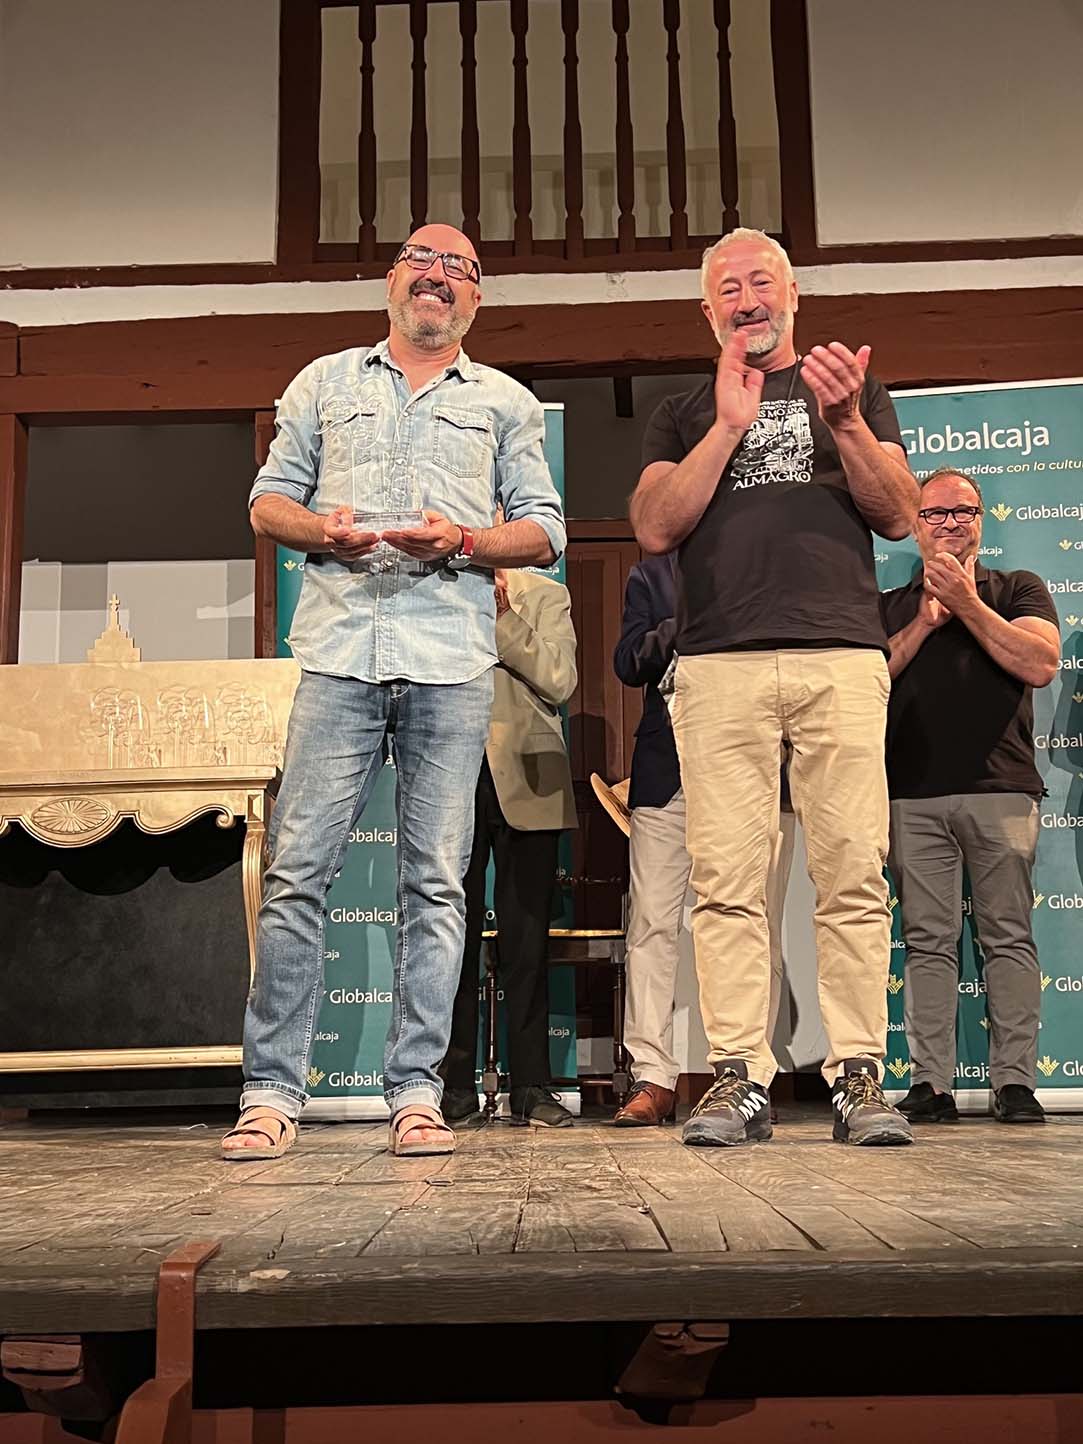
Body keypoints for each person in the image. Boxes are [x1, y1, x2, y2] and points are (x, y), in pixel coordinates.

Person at [221, 224, 566, 1162]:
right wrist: (320, 531)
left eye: (459, 268)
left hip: (451, 662)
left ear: (476, 299)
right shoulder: (323, 381)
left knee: (437, 885)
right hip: (337, 655)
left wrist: (463, 541)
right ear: (391, 280)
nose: (438, 277)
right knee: (297, 875)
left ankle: (416, 1093)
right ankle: (270, 1093)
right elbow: (267, 501)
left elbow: (544, 529)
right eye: (424, 260)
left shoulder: (504, 401)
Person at [630, 226, 919, 1148]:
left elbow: (900, 515)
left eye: (762, 281)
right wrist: (726, 426)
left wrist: (846, 423)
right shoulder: (682, 410)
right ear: (706, 310)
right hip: (719, 664)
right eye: (728, 288)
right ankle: (738, 1077)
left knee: (852, 873)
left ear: (792, 295)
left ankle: (857, 1076)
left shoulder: (851, 392)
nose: (747, 298)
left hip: (841, 656)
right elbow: (653, 526)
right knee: (725, 882)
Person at [881, 468, 1060, 1126]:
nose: (950, 522)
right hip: (911, 796)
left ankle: (1015, 1083)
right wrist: (925, 624)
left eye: (963, 511)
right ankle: (930, 1084)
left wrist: (967, 605)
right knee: (926, 942)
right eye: (934, 513)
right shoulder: (890, 604)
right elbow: (867, 681)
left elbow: (1040, 663)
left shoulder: (1017, 588)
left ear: (980, 522)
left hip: (1001, 792)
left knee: (1007, 936)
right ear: (915, 525)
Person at [610, 553, 796, 1127]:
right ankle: (652, 1076)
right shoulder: (653, 575)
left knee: (754, 919)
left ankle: (747, 1075)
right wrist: (687, 620)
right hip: (665, 774)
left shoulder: (767, 563)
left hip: (750, 771)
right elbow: (629, 661)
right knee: (650, 927)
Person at [441, 565, 578, 1128]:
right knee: (450, 939)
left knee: (527, 946)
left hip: (530, 778)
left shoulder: (545, 594)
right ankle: (451, 1087)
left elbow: (559, 679)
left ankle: (530, 1087)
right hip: (451, 774)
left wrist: (501, 616)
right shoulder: (436, 589)